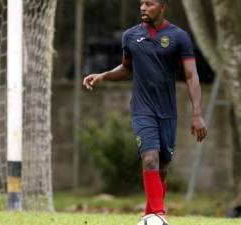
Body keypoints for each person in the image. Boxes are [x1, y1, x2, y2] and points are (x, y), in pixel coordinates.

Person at [83, 0, 207, 223]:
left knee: (162, 167)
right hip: (142, 109)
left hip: (168, 111)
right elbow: (126, 67)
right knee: (150, 159)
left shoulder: (179, 37)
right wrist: (103, 75)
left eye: (149, 3)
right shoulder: (130, 36)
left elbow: (191, 75)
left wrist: (197, 113)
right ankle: (159, 216)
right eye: (141, 3)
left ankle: (149, 217)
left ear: (162, 6)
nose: (142, 8)